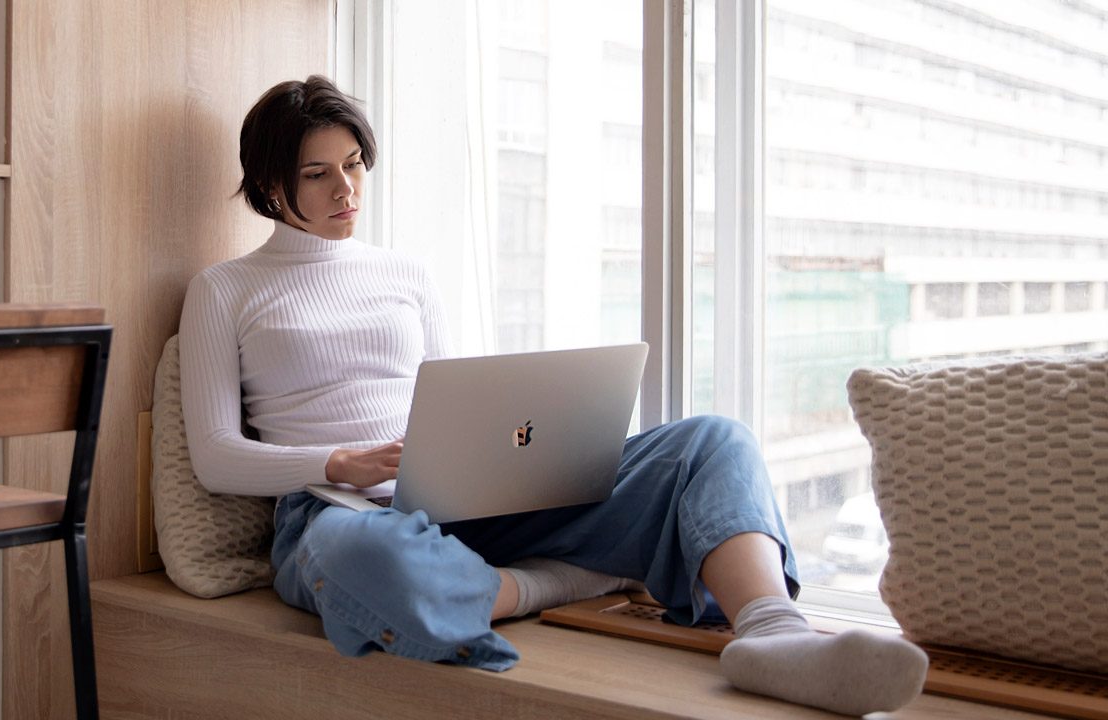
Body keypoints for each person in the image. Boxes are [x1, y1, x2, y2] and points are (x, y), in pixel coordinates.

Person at [179, 75, 928, 716]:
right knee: (367, 561)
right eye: (318, 174)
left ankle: (773, 634)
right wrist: (337, 463)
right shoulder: (226, 290)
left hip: (446, 501)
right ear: (272, 184)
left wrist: (504, 448)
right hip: (335, 517)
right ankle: (559, 580)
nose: (346, 189)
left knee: (712, 441)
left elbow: (452, 398)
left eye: (354, 164)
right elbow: (214, 457)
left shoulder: (403, 274)